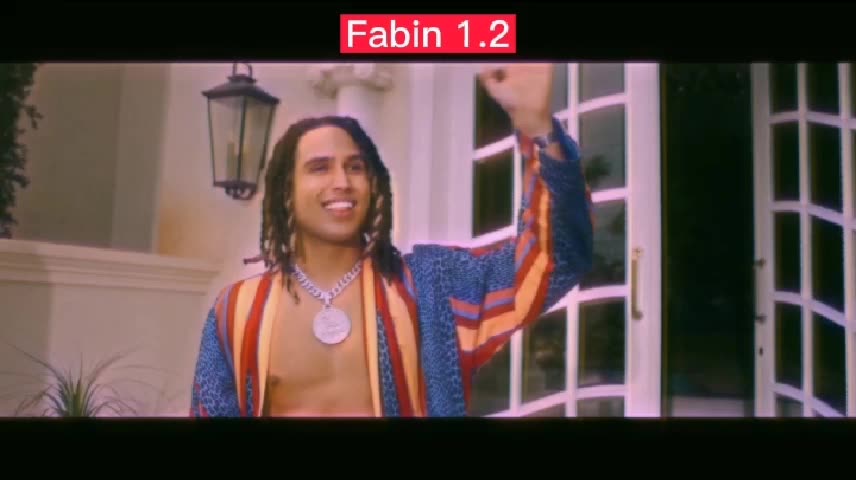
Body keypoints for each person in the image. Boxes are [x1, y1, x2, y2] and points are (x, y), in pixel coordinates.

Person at [189, 64, 593, 417]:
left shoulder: (431, 286)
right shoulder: (237, 311)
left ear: (375, 184)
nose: (342, 182)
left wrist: (540, 132)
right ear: (285, 193)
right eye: (319, 167)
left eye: (355, 167)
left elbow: (555, 259)